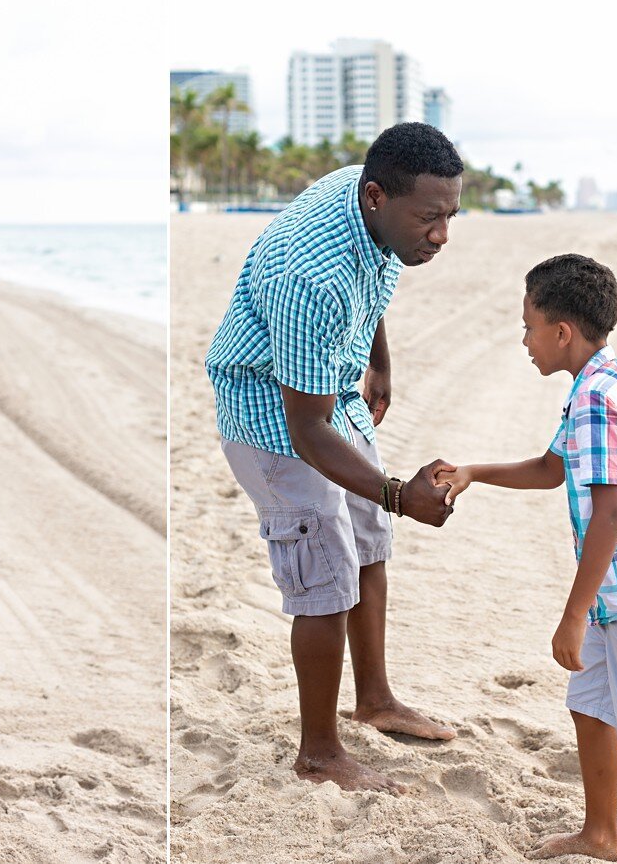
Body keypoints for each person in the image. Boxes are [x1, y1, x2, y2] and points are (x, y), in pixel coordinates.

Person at [436, 254, 617, 863]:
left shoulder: (597, 398)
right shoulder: (597, 382)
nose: (524, 341)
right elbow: (551, 468)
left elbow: (611, 516)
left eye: (528, 326)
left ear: (561, 331)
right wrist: (474, 473)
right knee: (590, 707)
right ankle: (600, 835)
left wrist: (574, 614)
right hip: (613, 594)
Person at [204, 122, 463, 793]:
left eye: (451, 216)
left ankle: (374, 700)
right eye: (430, 219)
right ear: (377, 196)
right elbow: (308, 433)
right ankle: (318, 751)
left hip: (330, 385)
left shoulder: (369, 198)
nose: (441, 235)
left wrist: (377, 360)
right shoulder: (312, 274)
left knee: (369, 536)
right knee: (325, 571)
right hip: (271, 413)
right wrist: (402, 491)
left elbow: (371, 278)